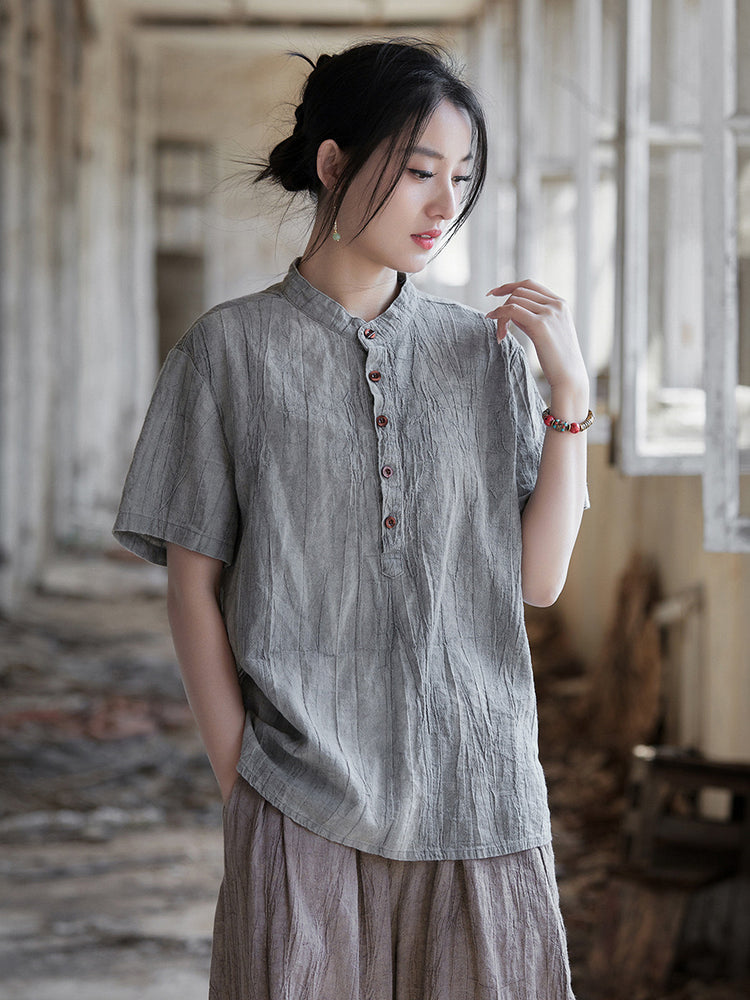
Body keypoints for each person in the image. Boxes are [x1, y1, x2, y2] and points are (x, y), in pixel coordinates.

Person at [113, 38, 590, 1000]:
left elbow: (538, 582)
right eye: (418, 172)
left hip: (480, 796)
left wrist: (571, 398)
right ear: (333, 164)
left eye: (461, 177)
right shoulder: (226, 352)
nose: (444, 205)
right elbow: (194, 588)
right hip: (300, 800)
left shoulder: (484, 355)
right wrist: (242, 781)